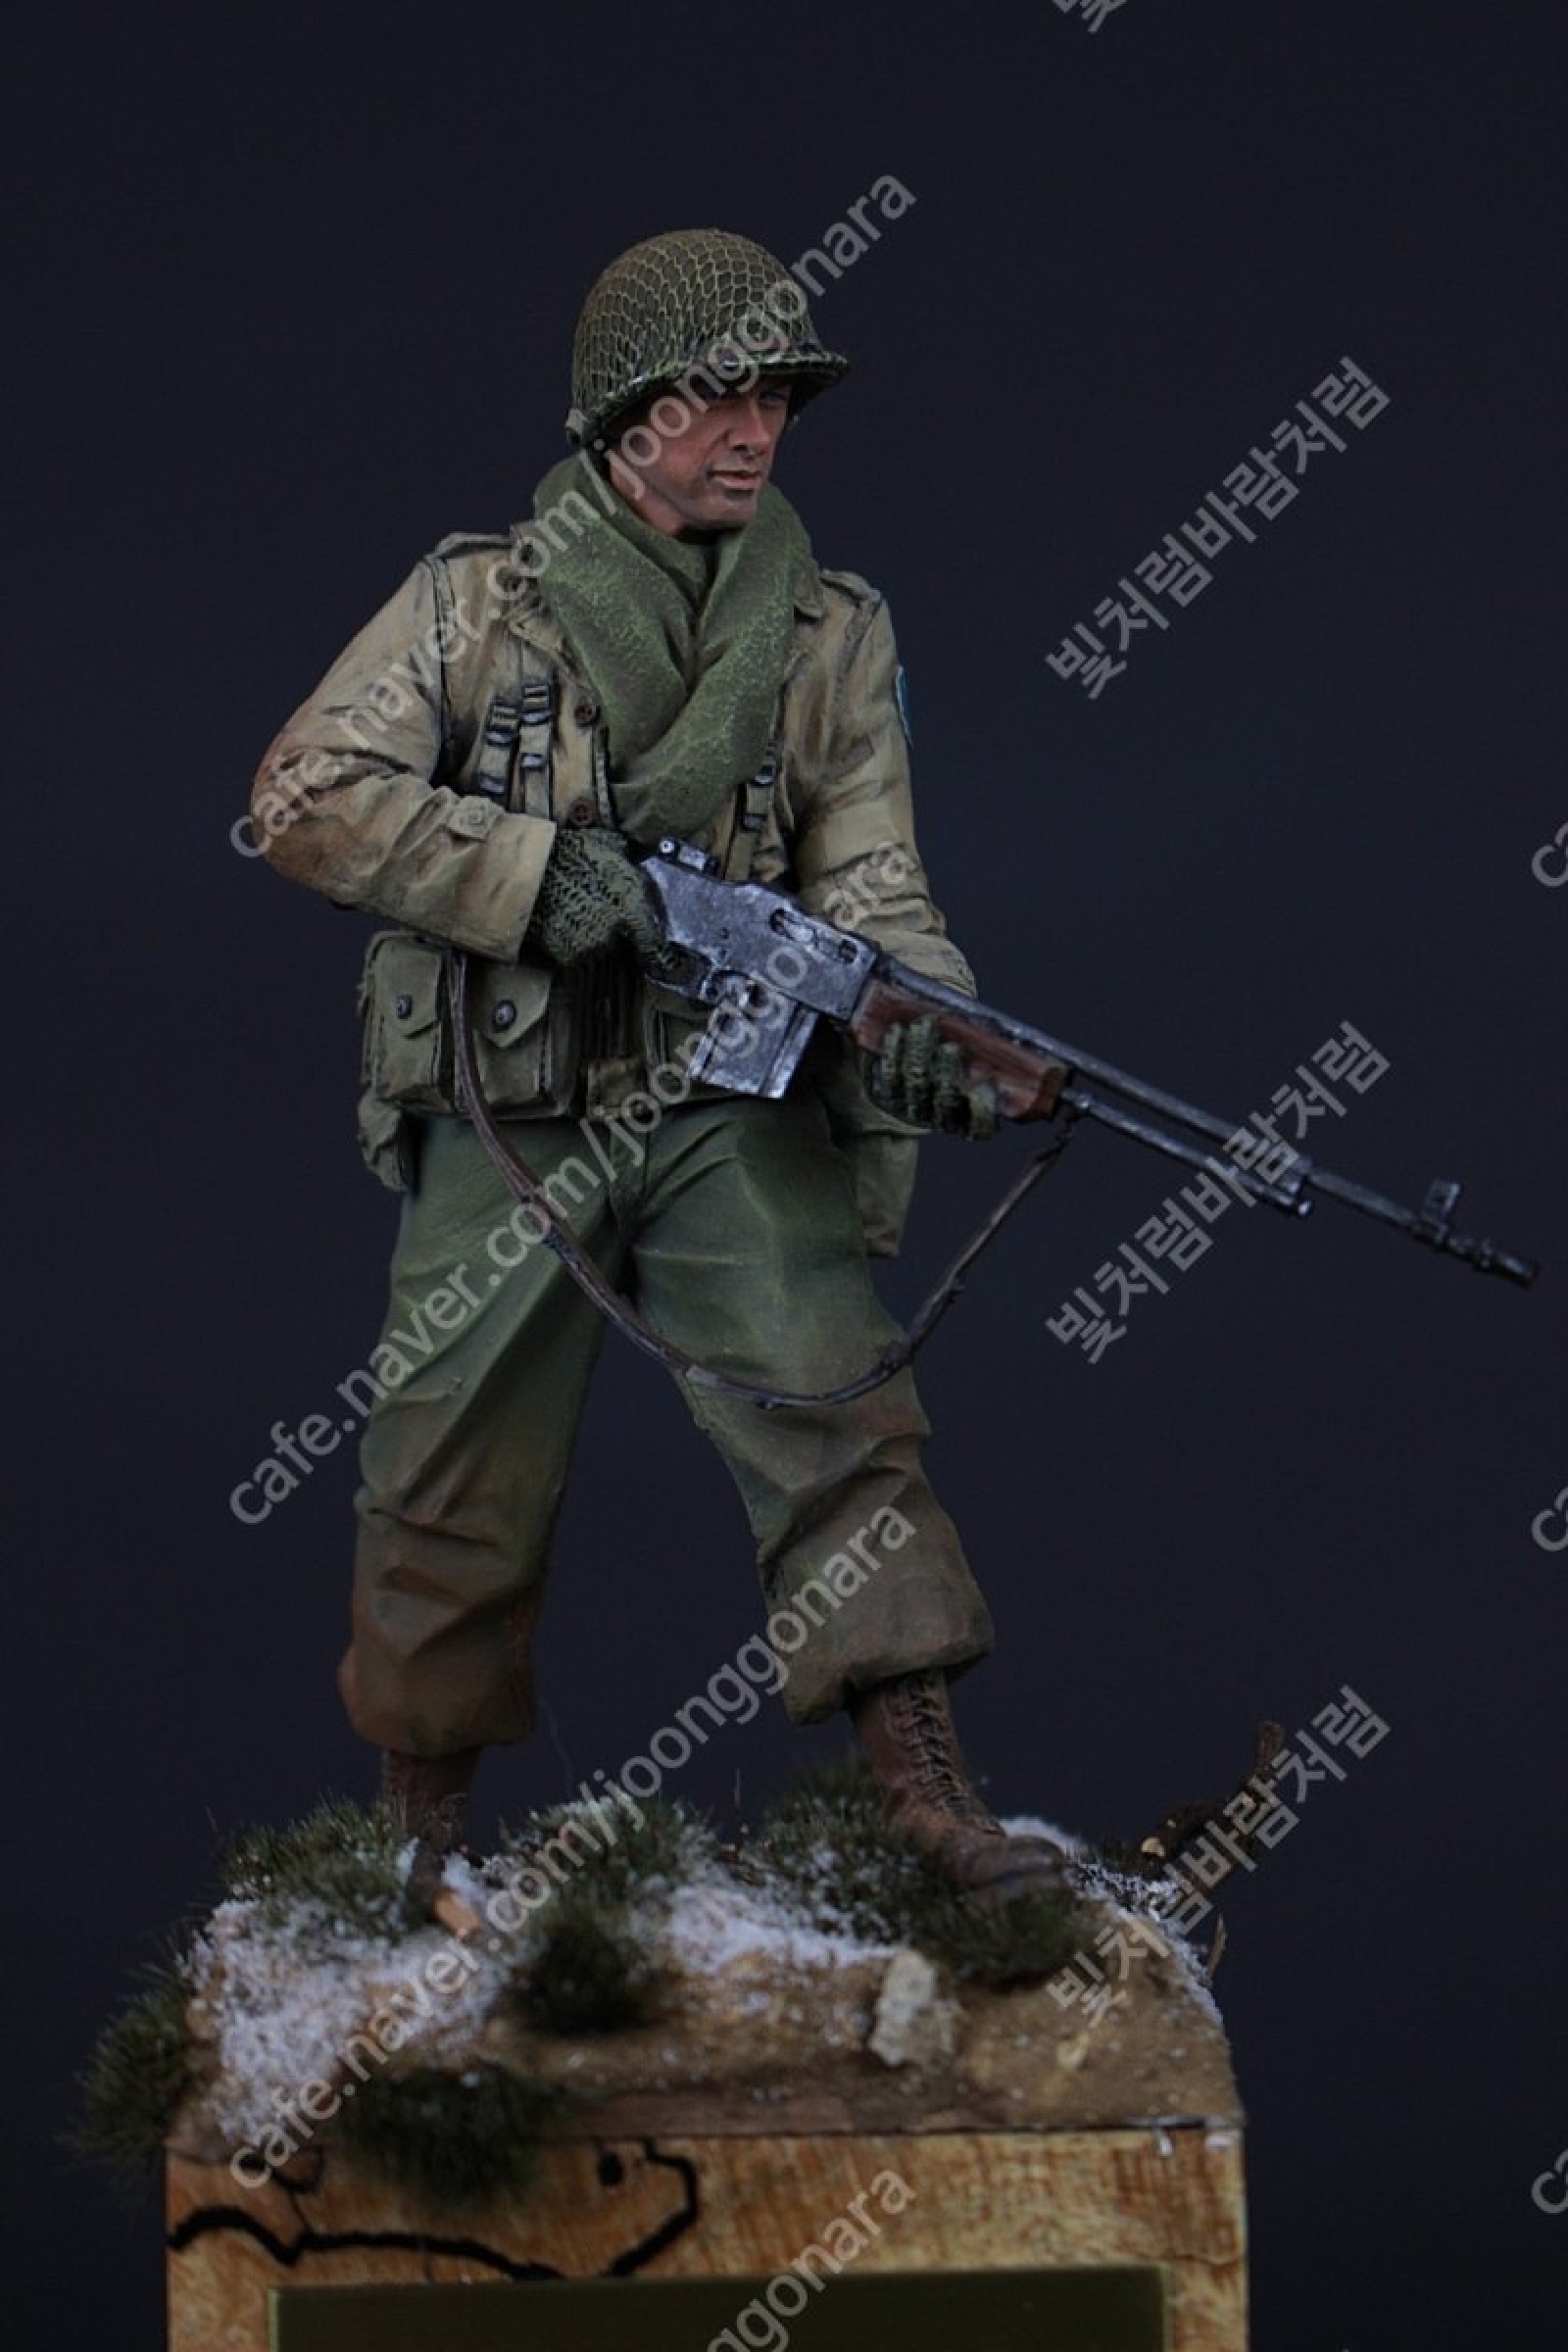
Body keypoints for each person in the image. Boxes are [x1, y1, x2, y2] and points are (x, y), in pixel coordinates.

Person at [251, 228, 1060, 1906]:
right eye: (714, 397)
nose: (754, 430)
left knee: (838, 1405)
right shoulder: (476, 604)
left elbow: (874, 884)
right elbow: (302, 796)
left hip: (721, 1096)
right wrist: (533, 878)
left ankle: (926, 1796)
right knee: (445, 1467)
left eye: (775, 398)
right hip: (517, 1098)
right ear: (625, 419)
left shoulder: (829, 630)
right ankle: (417, 1838)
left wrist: (929, 1027)